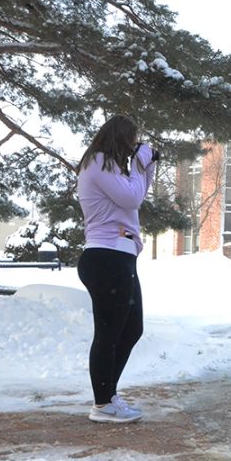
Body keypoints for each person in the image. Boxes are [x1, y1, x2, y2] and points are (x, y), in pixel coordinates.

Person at [76, 114, 158, 423]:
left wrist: (146, 167)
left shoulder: (107, 166)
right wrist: (140, 163)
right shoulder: (98, 162)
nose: (131, 150)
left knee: (131, 329)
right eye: (130, 143)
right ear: (120, 139)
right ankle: (102, 403)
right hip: (105, 257)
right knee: (109, 333)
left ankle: (108, 396)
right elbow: (132, 198)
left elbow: (136, 195)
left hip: (118, 257)